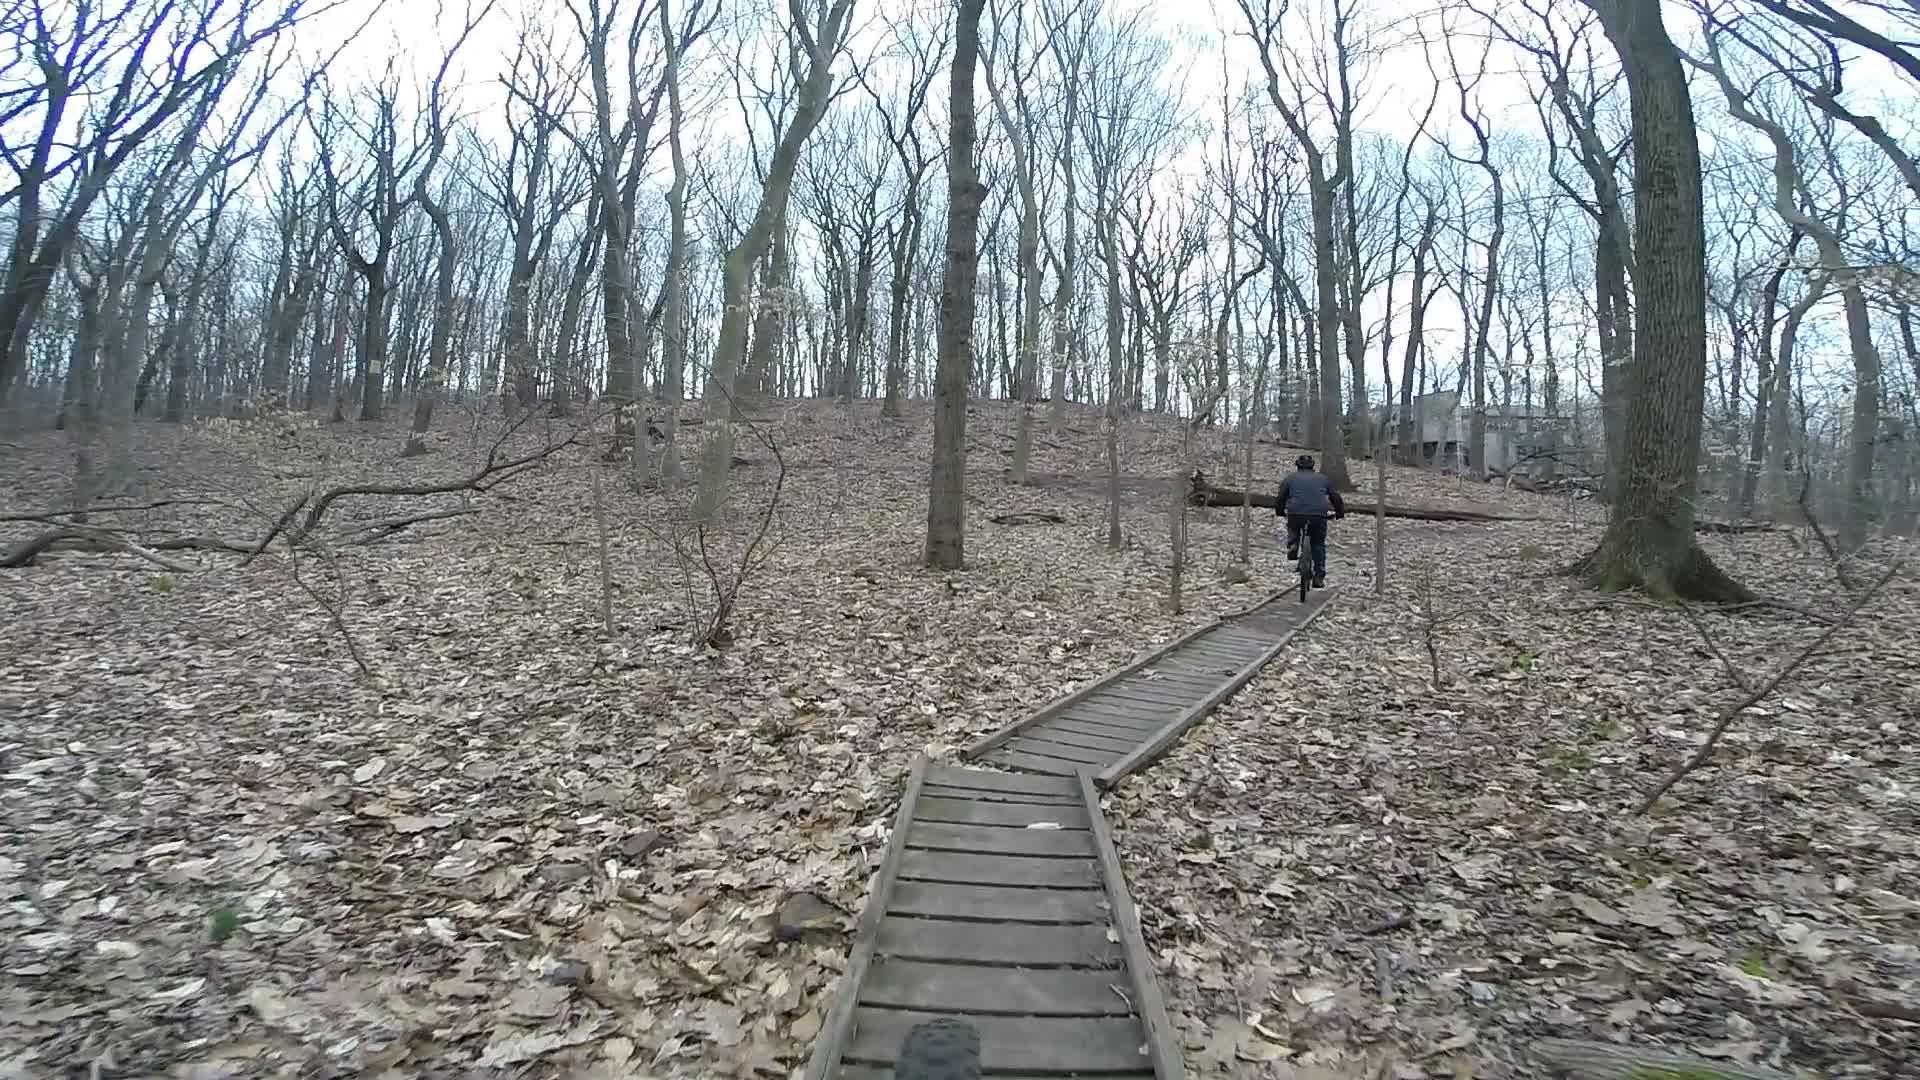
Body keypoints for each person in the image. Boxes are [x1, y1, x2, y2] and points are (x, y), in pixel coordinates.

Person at [1276, 454, 1345, 587]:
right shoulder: (1323, 479)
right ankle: (1319, 576)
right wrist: (1339, 513)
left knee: (1293, 526)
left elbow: (1281, 498)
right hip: (1318, 515)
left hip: (1295, 513)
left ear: (1297, 466)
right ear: (1313, 466)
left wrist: (1279, 511)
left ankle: (1293, 544)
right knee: (1318, 544)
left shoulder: (1290, 479)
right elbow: (1335, 498)